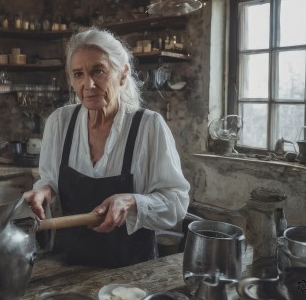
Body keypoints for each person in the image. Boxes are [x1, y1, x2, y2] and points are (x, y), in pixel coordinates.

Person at [23, 27, 190, 268]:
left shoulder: (148, 126)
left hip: (132, 269)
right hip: (71, 264)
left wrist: (132, 202)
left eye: (98, 71)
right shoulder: (60, 122)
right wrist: (44, 192)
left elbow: (176, 203)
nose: (88, 84)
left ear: (123, 75)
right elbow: (50, 180)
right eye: (78, 74)